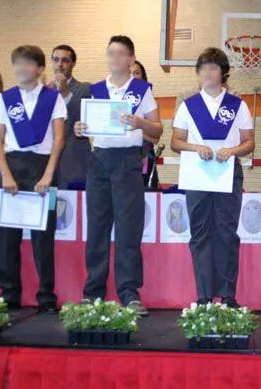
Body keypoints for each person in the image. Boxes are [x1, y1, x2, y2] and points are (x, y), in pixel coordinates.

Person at [74, 36, 162, 315]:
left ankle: (129, 292)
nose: (115, 58)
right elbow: (86, 128)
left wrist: (140, 122)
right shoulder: (95, 89)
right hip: (99, 160)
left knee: (128, 228)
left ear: (131, 58)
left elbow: (157, 130)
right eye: (110, 53)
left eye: (121, 54)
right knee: (97, 226)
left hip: (127, 162)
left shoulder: (142, 90)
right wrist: (80, 129)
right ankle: (93, 292)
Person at [170, 48, 255, 306]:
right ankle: (204, 295)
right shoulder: (188, 105)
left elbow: (250, 142)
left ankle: (228, 295)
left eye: (213, 67)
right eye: (203, 67)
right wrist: (197, 148)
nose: (208, 72)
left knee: (227, 233)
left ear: (223, 72)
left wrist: (232, 151)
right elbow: (175, 141)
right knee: (200, 233)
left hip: (228, 173)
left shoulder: (238, 105)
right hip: (197, 174)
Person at [0, 45, 66, 313]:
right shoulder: (5, 99)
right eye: (18, 63)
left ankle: (46, 295)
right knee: (8, 235)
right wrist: (5, 173)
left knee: (44, 235)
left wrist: (48, 173)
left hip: (44, 167)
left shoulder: (52, 98)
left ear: (40, 68)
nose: (22, 68)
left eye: (28, 64)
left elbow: (59, 139)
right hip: (13, 165)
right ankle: (9, 293)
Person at [49, 45, 92, 190]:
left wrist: (66, 94)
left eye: (65, 60)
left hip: (73, 162)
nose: (59, 64)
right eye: (56, 60)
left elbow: (84, 121)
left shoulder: (84, 89)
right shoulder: (43, 91)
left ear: (73, 63)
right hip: (45, 164)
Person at [131, 60, 161, 189]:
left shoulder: (150, 104)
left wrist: (136, 127)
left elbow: (155, 138)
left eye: (136, 73)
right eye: (128, 73)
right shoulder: (116, 102)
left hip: (144, 155)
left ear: (143, 77)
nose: (132, 76)